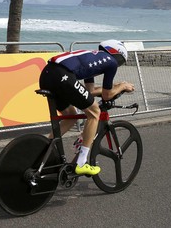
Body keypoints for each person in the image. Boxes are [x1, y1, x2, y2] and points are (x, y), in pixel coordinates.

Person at [39, 39, 135, 176]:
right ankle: (81, 163)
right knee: (94, 112)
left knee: (70, 116)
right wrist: (122, 86)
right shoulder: (111, 62)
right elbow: (107, 96)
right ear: (117, 55)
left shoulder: (91, 57)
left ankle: (43, 149)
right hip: (62, 75)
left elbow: (89, 92)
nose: (118, 65)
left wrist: (114, 88)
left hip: (48, 74)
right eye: (120, 62)